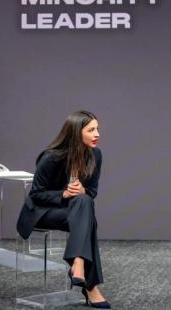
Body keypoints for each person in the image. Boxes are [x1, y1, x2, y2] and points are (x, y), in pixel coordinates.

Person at [17, 110, 111, 309]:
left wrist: (82, 190)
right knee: (87, 218)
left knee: (85, 201)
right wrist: (64, 194)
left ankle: (79, 266)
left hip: (74, 210)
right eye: (91, 130)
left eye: (98, 129)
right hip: (42, 212)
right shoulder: (52, 157)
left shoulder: (96, 155)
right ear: (77, 133)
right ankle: (89, 285)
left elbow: (92, 191)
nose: (97, 134)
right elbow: (36, 194)